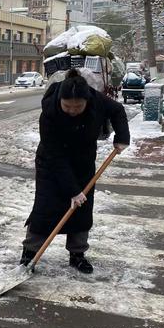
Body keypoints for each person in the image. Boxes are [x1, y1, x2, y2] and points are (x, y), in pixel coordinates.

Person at [21, 68, 130, 274]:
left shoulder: (96, 100)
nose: (72, 110)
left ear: (87, 101)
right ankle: (30, 253)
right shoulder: (49, 114)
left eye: (78, 106)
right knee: (45, 208)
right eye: (67, 106)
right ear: (60, 100)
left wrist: (122, 136)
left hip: (83, 163)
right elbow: (55, 156)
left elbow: (117, 110)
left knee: (82, 210)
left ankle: (77, 254)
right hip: (51, 164)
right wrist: (73, 190)